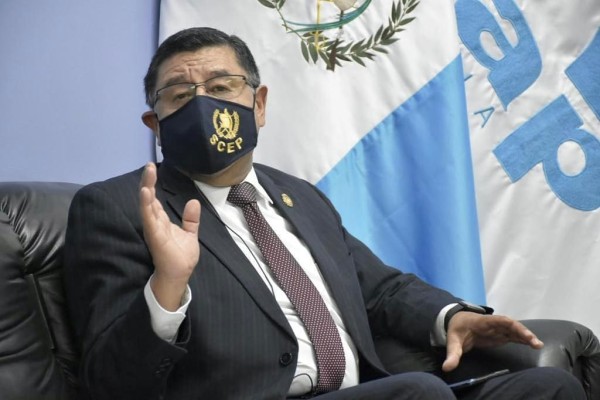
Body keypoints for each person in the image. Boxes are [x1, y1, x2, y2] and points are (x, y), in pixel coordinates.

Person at [63, 27, 585, 400]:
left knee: (550, 386)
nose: (204, 107)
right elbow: (109, 380)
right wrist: (168, 287)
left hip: (367, 390)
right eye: (180, 96)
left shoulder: (300, 196)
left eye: (221, 88)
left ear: (258, 105)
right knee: (418, 395)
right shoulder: (118, 207)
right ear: (155, 124)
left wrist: (452, 316)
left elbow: (380, 289)